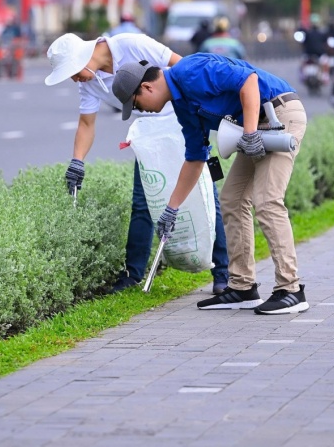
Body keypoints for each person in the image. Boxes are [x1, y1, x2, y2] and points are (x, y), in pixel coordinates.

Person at [111, 54, 308, 315]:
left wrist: (249, 133)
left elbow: (249, 81)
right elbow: (195, 157)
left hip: (279, 113)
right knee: (232, 200)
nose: (140, 109)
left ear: (147, 87)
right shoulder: (181, 106)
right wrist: (172, 209)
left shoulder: (190, 70)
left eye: (136, 103)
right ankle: (242, 287)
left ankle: (291, 289)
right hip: (254, 123)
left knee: (267, 201)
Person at [44, 32, 230, 295]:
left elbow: (183, 66)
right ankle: (133, 275)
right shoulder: (88, 82)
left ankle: (222, 273)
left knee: (206, 195)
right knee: (143, 201)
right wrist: (77, 161)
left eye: (72, 73)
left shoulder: (132, 44)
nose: (74, 79)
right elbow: (87, 124)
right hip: (148, 133)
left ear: (81, 58)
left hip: (183, 120)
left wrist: (200, 115)